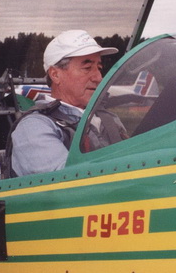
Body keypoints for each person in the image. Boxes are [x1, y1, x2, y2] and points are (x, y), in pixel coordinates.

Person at [9, 30, 119, 177]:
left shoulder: (107, 118)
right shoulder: (34, 127)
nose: (98, 77)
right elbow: (67, 181)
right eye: (87, 68)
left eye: (99, 68)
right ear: (55, 75)